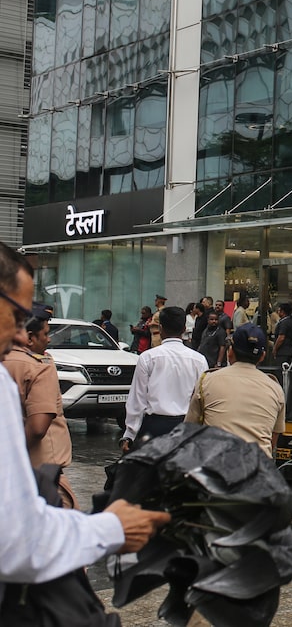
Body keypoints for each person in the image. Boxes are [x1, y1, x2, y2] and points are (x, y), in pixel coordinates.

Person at [0, 241, 170, 600]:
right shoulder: (34, 365)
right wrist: (110, 527)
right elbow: (17, 542)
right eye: (17, 315)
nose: (21, 334)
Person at [4, 306, 78, 508]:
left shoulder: (5, 362)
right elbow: (38, 427)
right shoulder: (39, 366)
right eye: (45, 334)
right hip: (42, 472)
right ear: (29, 338)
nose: (49, 339)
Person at [186, 323, 286, 458]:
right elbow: (273, 438)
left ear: (230, 352)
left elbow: (190, 430)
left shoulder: (207, 381)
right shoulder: (275, 389)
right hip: (257, 470)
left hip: (214, 467)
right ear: (262, 356)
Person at [121, 306, 209, 453]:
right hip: (186, 428)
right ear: (183, 329)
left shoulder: (147, 358)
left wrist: (130, 434)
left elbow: (137, 400)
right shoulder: (199, 360)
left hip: (153, 428)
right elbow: (203, 398)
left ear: (160, 328)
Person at [273, 302, 292, 366]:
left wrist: (275, 348)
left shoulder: (284, 323)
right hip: (288, 351)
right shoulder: (289, 321)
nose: (278, 312)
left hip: (283, 352)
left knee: (280, 370)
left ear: (283, 312)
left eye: (279, 310)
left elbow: (281, 338)